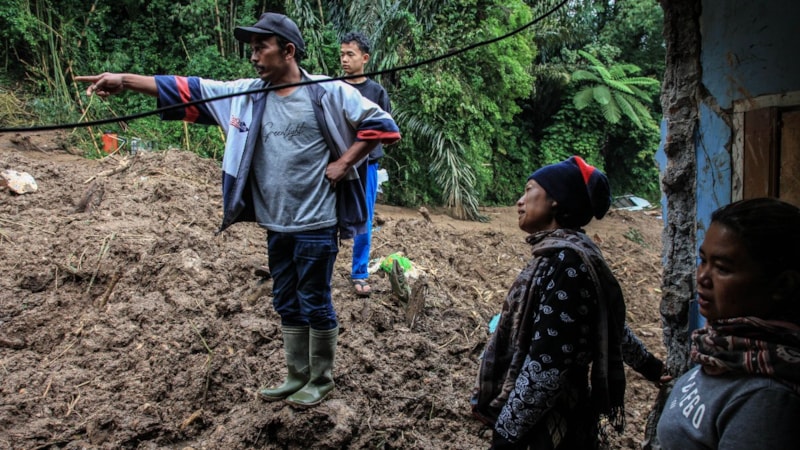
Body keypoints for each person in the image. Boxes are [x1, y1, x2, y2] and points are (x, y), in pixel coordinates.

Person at [75, 12, 400, 408]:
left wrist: (345, 162)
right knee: (285, 299)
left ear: (288, 51)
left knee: (315, 300)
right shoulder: (246, 94)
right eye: (252, 48)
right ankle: (296, 375)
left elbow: (383, 126)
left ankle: (321, 378)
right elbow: (187, 90)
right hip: (275, 222)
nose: (253, 56)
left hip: (316, 221)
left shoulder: (327, 92)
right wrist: (124, 81)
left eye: (261, 47)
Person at [471, 156, 666, 449]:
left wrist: (507, 434)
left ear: (555, 200)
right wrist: (652, 367)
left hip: (550, 422)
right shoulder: (562, 256)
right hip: (562, 413)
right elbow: (610, 325)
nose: (519, 201)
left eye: (528, 190)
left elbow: (546, 365)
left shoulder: (568, 265)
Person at [656, 198, 800, 448]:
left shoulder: (768, 398)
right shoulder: (726, 350)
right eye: (703, 261)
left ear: (782, 285)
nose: (702, 278)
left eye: (722, 268)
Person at [339, 31, 392, 297]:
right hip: (337, 163)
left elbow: (386, 128)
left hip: (367, 164)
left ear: (365, 58)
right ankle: (324, 267)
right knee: (329, 216)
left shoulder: (376, 92)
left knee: (365, 218)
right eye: (342, 55)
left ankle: (359, 273)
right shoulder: (335, 87)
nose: (345, 60)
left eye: (350, 54)